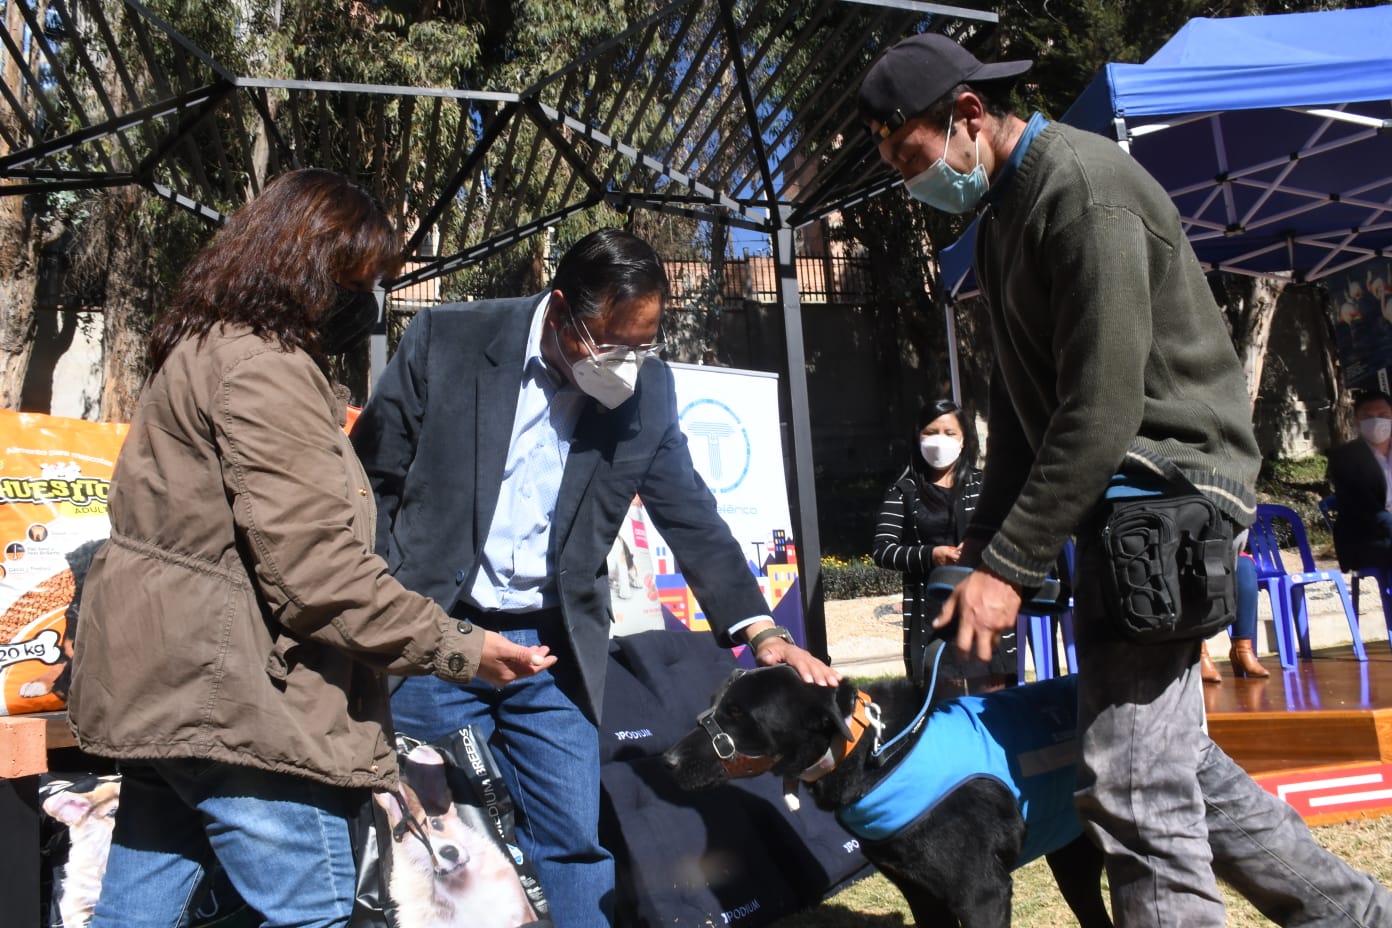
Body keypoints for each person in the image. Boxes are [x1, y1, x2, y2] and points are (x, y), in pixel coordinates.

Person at [859, 32, 1392, 927]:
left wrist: (1012, 563)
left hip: (1169, 495)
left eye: (910, 157)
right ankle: (1356, 914)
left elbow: (1101, 411)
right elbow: (1022, 412)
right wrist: (985, 550)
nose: (911, 182)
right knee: (1175, 762)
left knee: (1133, 786)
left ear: (967, 116)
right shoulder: (999, 227)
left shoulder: (1086, 191)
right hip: (1116, 507)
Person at [67, 169, 556, 928]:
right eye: (360, 282)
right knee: (320, 913)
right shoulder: (264, 371)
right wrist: (460, 647)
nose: (369, 304)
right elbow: (317, 574)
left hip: (173, 691)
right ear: (307, 271)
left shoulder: (199, 350)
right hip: (238, 706)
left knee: (133, 916)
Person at [350, 227, 839, 928]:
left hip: (554, 651)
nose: (627, 365)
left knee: (572, 842)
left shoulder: (647, 393)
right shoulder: (447, 341)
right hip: (438, 640)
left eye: (643, 346)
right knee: (447, 846)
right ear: (559, 310)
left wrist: (760, 631)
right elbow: (372, 481)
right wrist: (384, 614)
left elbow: (691, 515)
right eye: (612, 344)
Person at [871, 399, 1017, 691]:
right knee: (943, 703)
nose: (940, 440)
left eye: (949, 433)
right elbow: (883, 550)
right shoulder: (903, 490)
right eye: (931, 432)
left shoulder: (985, 485)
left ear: (964, 440)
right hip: (931, 612)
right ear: (917, 437)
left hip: (983, 605)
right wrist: (931, 556)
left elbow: (1011, 535)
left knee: (993, 702)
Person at [1326, 390, 1392, 571]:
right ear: (1356, 421)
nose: (1376, 421)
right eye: (1367, 416)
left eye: (1383, 415)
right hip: (1367, 538)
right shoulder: (1345, 457)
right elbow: (1365, 507)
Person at [1200, 552, 1269, 684]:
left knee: (1244, 566)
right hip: (1183, 550)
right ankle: (1199, 653)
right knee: (1189, 570)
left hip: (1220, 550)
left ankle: (1242, 650)